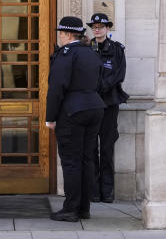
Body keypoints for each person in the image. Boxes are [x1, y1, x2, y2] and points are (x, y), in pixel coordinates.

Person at [45, 16, 105, 222]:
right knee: (87, 160)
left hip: (72, 112)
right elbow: (99, 82)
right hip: (94, 107)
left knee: (71, 161)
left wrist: (50, 118)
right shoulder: (90, 52)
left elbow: (56, 89)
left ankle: (71, 209)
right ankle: (83, 208)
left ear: (68, 34)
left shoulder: (66, 54)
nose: (59, 38)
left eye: (61, 34)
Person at [87, 12, 129, 203]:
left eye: (100, 27)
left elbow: (118, 75)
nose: (97, 30)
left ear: (107, 29)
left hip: (109, 103)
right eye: (94, 27)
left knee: (106, 148)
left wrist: (101, 86)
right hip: (91, 104)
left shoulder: (117, 50)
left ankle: (107, 191)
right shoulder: (87, 49)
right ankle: (94, 191)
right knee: (90, 149)